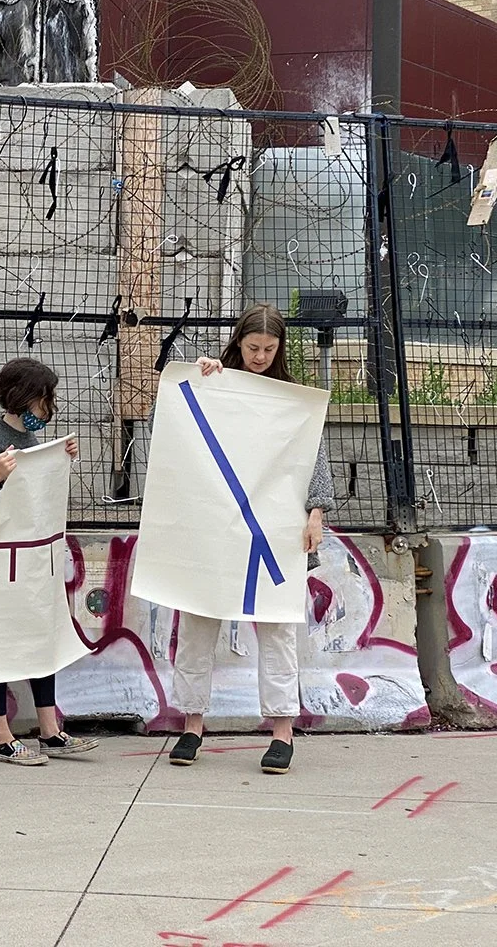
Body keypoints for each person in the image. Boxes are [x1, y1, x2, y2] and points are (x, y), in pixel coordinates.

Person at [166, 303, 335, 776]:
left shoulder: (292, 398)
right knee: (199, 622)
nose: (260, 356)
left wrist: (316, 512)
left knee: (277, 629)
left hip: (274, 530)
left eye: (269, 348)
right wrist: (205, 379)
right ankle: (191, 724)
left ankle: (282, 731)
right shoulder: (216, 384)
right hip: (217, 528)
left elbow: (313, 458)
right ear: (238, 342)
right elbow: (184, 429)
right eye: (252, 346)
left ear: (281, 349)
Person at [0, 358, 99, 766]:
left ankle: (49, 729)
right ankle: (0, 736)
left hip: (30, 559)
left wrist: (60, 459)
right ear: (24, 399)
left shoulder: (34, 443)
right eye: (43, 399)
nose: (47, 408)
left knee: (40, 635)